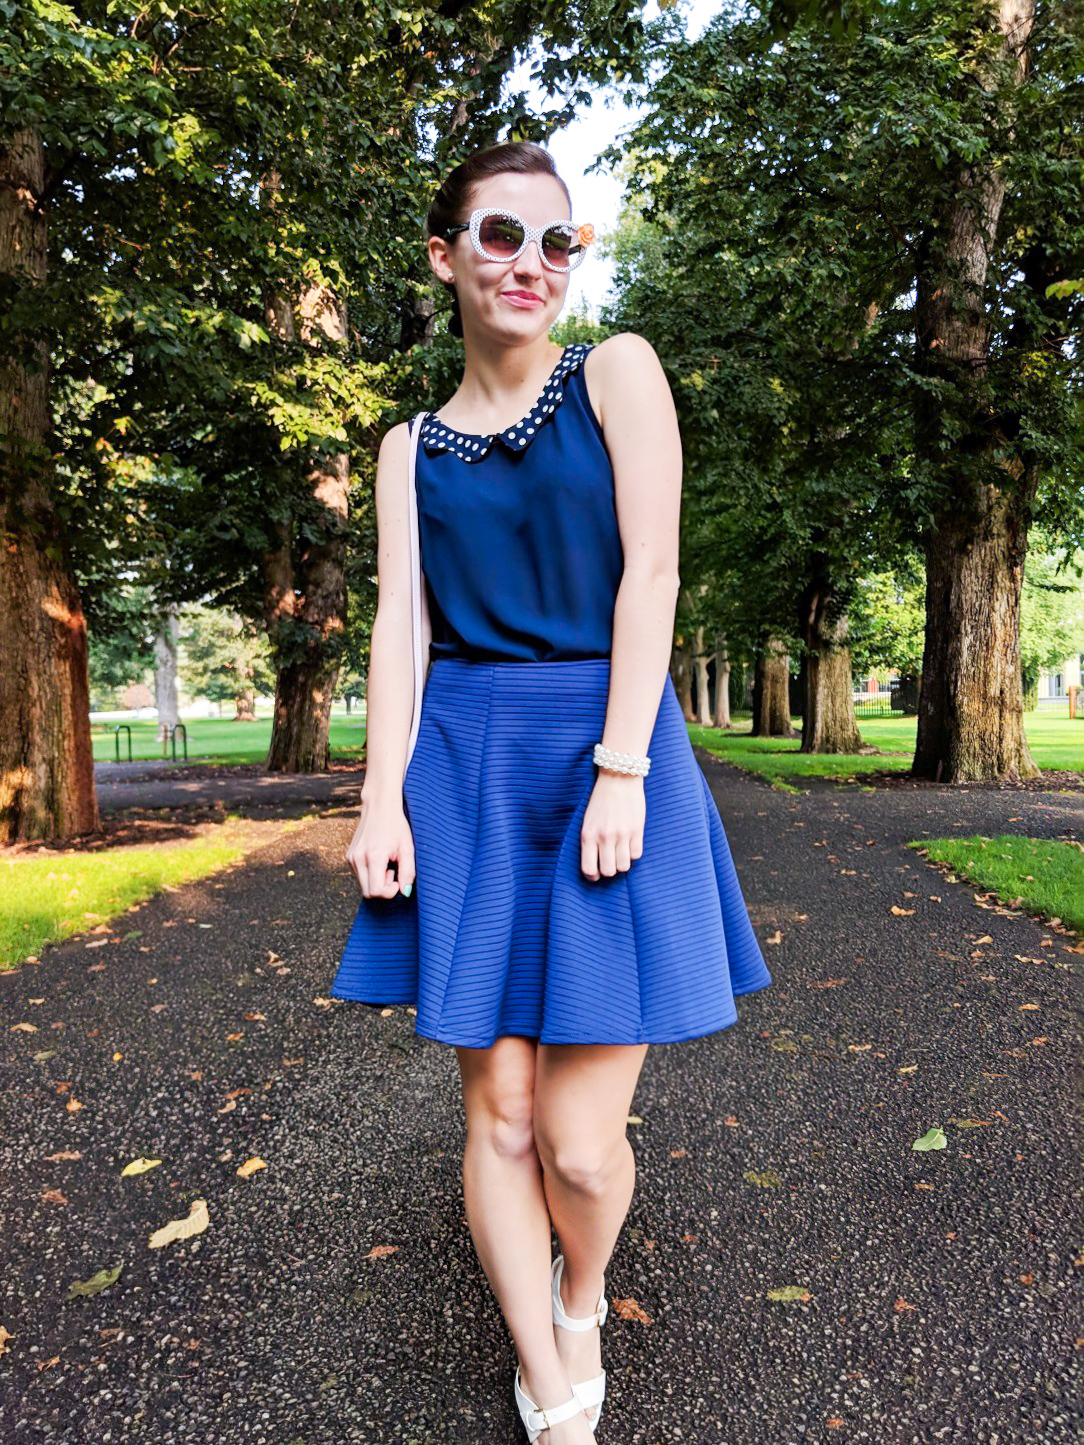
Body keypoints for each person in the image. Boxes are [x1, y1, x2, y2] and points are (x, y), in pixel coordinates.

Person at [331, 140, 772, 1442]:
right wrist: (379, 799)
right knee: (502, 1108)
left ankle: (584, 1286)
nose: (532, 263)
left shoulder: (617, 374)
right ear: (445, 255)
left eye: (556, 241)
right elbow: (399, 630)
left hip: (606, 749)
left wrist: (623, 764)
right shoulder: (407, 449)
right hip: (466, 766)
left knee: (582, 1142)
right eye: (502, 236)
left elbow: (654, 576)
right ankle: (549, 1376)